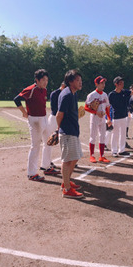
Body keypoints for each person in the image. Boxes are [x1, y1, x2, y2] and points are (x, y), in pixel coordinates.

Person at [13, 69, 53, 181]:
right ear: (37, 80)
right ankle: (31, 173)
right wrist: (24, 113)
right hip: (35, 120)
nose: (45, 82)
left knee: (48, 141)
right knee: (35, 146)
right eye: (43, 80)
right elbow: (16, 99)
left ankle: (46, 166)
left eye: (47, 80)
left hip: (44, 118)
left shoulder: (44, 90)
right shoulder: (31, 89)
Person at [56, 69, 84, 199]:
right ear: (70, 81)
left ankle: (66, 181)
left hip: (73, 131)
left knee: (75, 157)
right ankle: (66, 189)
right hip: (67, 132)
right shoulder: (66, 95)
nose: (80, 83)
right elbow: (59, 115)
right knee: (67, 160)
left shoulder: (73, 94)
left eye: (80, 80)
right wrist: (58, 130)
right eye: (77, 80)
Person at [85, 76, 111, 163]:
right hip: (94, 117)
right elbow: (86, 107)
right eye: (101, 83)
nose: (103, 84)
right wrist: (95, 112)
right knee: (93, 137)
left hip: (103, 118)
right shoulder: (91, 95)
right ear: (96, 84)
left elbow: (107, 107)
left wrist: (109, 118)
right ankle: (92, 155)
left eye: (104, 83)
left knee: (102, 136)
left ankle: (102, 156)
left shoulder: (105, 95)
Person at [45, 82, 66, 172]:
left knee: (64, 140)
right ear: (62, 86)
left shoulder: (68, 94)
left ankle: (66, 160)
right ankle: (47, 162)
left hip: (63, 118)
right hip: (54, 118)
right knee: (51, 140)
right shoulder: (55, 93)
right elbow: (55, 108)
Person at [108, 76, 131, 157]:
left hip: (124, 116)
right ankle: (114, 151)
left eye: (123, 83)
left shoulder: (124, 92)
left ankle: (122, 150)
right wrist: (108, 118)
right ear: (116, 84)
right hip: (116, 117)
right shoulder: (111, 94)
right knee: (115, 134)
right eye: (120, 83)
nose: (122, 85)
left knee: (123, 134)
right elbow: (108, 106)